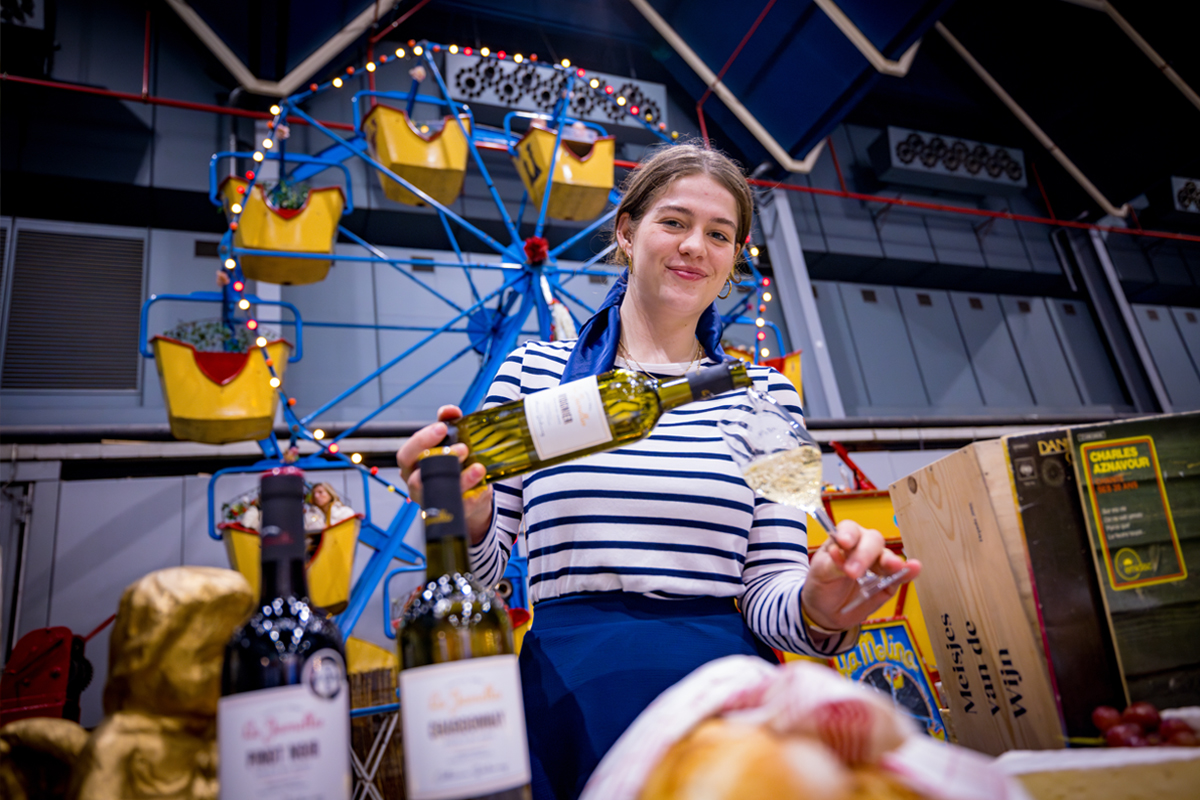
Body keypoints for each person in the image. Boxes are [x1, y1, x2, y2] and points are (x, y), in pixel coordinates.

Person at [396, 143, 921, 800]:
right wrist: (467, 522)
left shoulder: (767, 396)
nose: (695, 245)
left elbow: (770, 595)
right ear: (627, 230)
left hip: (724, 705)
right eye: (673, 222)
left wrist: (819, 605)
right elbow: (482, 580)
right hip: (568, 693)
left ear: (733, 258)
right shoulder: (532, 378)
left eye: (719, 233)